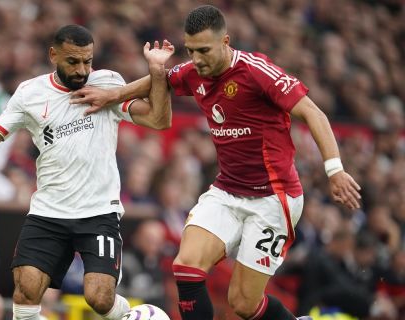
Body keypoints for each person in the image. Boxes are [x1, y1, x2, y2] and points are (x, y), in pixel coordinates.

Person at [70, 5, 362, 320]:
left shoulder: (256, 71)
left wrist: (335, 170)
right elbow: (164, 80)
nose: (196, 59)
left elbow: (313, 113)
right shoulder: (195, 71)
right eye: (191, 50)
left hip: (273, 199)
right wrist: (111, 96)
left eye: (204, 50)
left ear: (226, 42)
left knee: (244, 304)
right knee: (186, 266)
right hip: (226, 192)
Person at [0, 25, 173, 320]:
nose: (82, 69)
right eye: (73, 61)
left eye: (87, 61)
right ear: (53, 55)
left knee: (99, 298)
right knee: (25, 292)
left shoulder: (107, 83)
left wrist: (157, 72)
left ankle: (143, 315)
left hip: (98, 211)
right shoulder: (30, 93)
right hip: (49, 211)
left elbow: (158, 120)